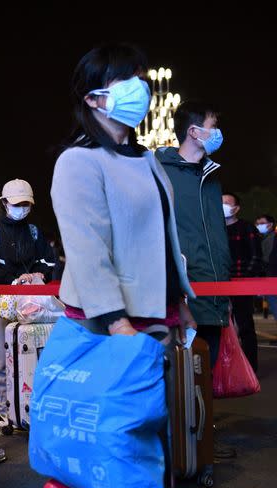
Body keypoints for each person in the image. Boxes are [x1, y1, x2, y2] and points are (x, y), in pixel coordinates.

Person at [52, 41, 198, 450]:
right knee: (116, 430)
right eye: (127, 78)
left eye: (140, 77)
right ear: (94, 97)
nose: (140, 87)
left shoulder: (146, 157)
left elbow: (162, 234)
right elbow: (87, 250)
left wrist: (180, 299)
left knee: (153, 425)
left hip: (157, 312)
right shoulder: (79, 161)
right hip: (113, 321)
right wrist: (118, 324)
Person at [156, 102, 231, 371]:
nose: (218, 133)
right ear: (194, 132)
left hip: (213, 294)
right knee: (174, 387)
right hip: (180, 298)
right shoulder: (161, 173)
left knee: (202, 388)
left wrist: (225, 290)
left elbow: (217, 236)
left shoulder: (211, 177)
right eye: (213, 127)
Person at [0, 179, 55, 430]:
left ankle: (31, 409)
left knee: (34, 355)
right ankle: (6, 413)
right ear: (4, 204)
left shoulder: (34, 232)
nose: (21, 208)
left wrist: (38, 275)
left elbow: (49, 261)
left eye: (26, 203)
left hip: (31, 302)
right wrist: (15, 279)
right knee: (1, 359)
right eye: (17, 203)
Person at [222, 192, 262, 373]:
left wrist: (246, 279)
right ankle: (226, 368)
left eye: (227, 203)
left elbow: (255, 256)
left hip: (241, 283)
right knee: (222, 327)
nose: (222, 205)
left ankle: (250, 369)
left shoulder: (247, 228)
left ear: (236, 208)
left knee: (245, 326)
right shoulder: (215, 229)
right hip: (219, 284)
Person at [257, 214, 276, 318]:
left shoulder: (271, 239)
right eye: (258, 224)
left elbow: (267, 258)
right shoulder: (265, 238)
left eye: (262, 223)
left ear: (270, 225)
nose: (259, 226)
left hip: (272, 277)